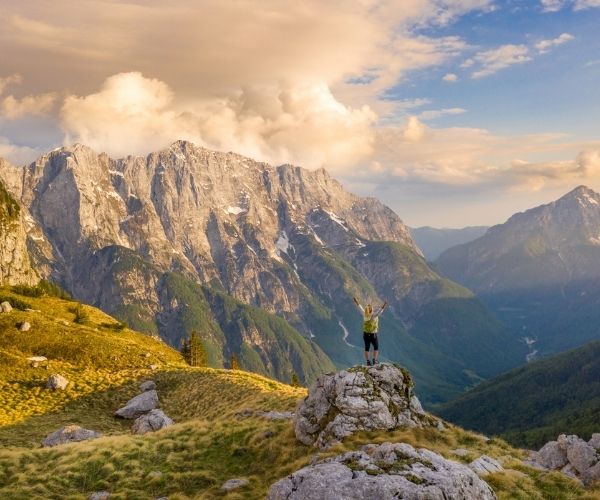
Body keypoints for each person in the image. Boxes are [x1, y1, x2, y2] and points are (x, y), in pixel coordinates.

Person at [353, 297, 388, 366]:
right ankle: (374, 360)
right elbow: (381, 310)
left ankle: (368, 361)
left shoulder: (364, 314)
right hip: (373, 334)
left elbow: (359, 307)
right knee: (376, 347)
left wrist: (356, 301)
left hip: (365, 334)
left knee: (367, 348)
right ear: (371, 310)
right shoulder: (374, 315)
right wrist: (384, 304)